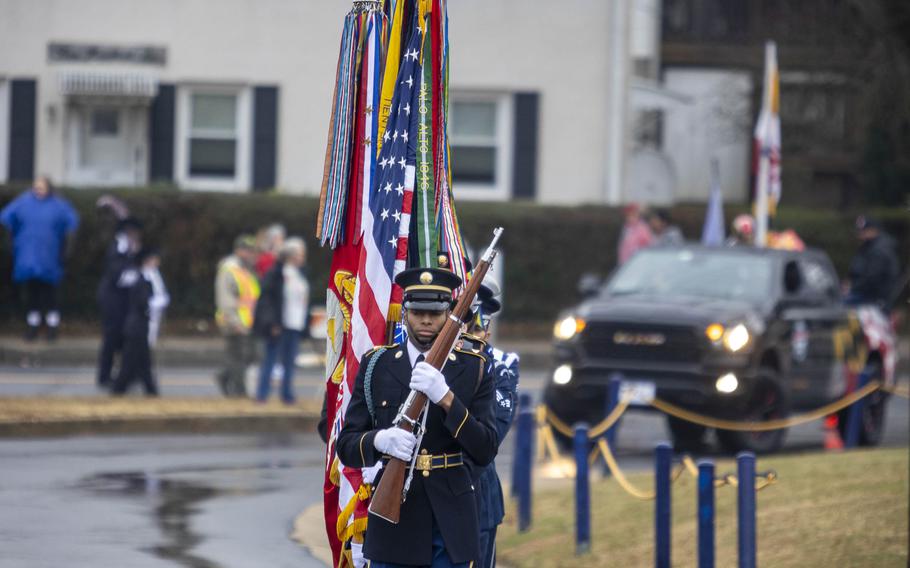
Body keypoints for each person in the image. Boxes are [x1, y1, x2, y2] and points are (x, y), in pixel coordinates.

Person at [337, 267, 498, 567]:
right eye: (418, 311)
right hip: (395, 516)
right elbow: (346, 446)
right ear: (404, 313)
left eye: (435, 313)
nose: (426, 320)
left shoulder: (472, 368)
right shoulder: (377, 365)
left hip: (451, 517)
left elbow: (486, 448)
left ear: (450, 315)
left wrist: (447, 398)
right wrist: (380, 440)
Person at [460, 277, 519, 568]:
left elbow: (489, 433)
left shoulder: (501, 365)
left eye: (477, 328)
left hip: (477, 496)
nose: (472, 336)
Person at [0, 176, 79, 341]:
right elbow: (6, 217)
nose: (39, 190)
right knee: (32, 293)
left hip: (49, 256)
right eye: (37, 187)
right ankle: (33, 326)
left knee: (50, 294)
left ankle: (52, 327)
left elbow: (72, 221)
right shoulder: (24, 202)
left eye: (42, 187)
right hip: (28, 257)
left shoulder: (58, 205)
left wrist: (67, 249)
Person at [252, 237, 310, 404]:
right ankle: (262, 394)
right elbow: (268, 300)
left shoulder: (300, 274)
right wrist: (273, 322)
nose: (302, 257)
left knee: (289, 362)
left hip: (295, 324)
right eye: (299, 254)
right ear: (291, 255)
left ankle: (287, 394)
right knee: (271, 359)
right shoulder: (277, 273)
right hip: (280, 324)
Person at [110, 247, 164, 397]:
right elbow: (142, 302)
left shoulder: (143, 279)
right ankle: (121, 389)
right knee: (131, 363)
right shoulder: (141, 280)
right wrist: (156, 302)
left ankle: (149, 390)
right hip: (136, 327)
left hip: (139, 326)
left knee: (142, 362)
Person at [96, 216, 143, 388]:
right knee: (111, 338)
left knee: (126, 339)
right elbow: (118, 276)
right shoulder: (117, 248)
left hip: (124, 300)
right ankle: (105, 376)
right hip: (112, 299)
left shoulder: (129, 249)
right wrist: (138, 276)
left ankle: (126, 374)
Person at [214, 234, 261, 397]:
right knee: (238, 358)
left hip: (247, 321)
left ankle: (225, 377)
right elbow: (225, 298)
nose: (251, 254)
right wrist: (234, 322)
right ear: (238, 251)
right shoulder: (229, 270)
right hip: (234, 321)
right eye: (247, 250)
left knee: (247, 356)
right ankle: (239, 392)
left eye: (252, 251)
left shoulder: (246, 270)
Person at [845, 216, 900, 308]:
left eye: (864, 230)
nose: (860, 234)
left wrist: (852, 288)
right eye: (860, 231)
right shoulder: (868, 247)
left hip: (873, 299)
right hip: (864, 294)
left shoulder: (880, 250)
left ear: (875, 230)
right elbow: (857, 270)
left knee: (838, 306)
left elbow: (872, 278)